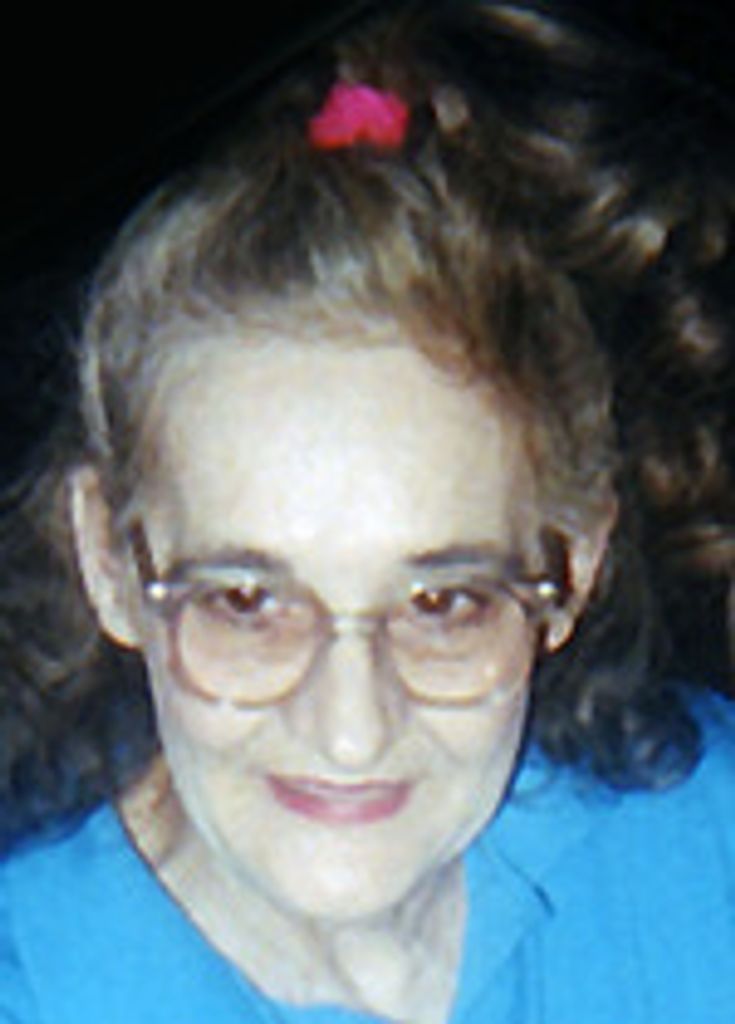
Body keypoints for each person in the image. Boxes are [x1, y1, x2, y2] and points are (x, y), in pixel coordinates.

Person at [1, 2, 734, 1021]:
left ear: (572, 563)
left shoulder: (704, 846)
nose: (351, 731)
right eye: (245, 601)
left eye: (445, 604)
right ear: (109, 561)